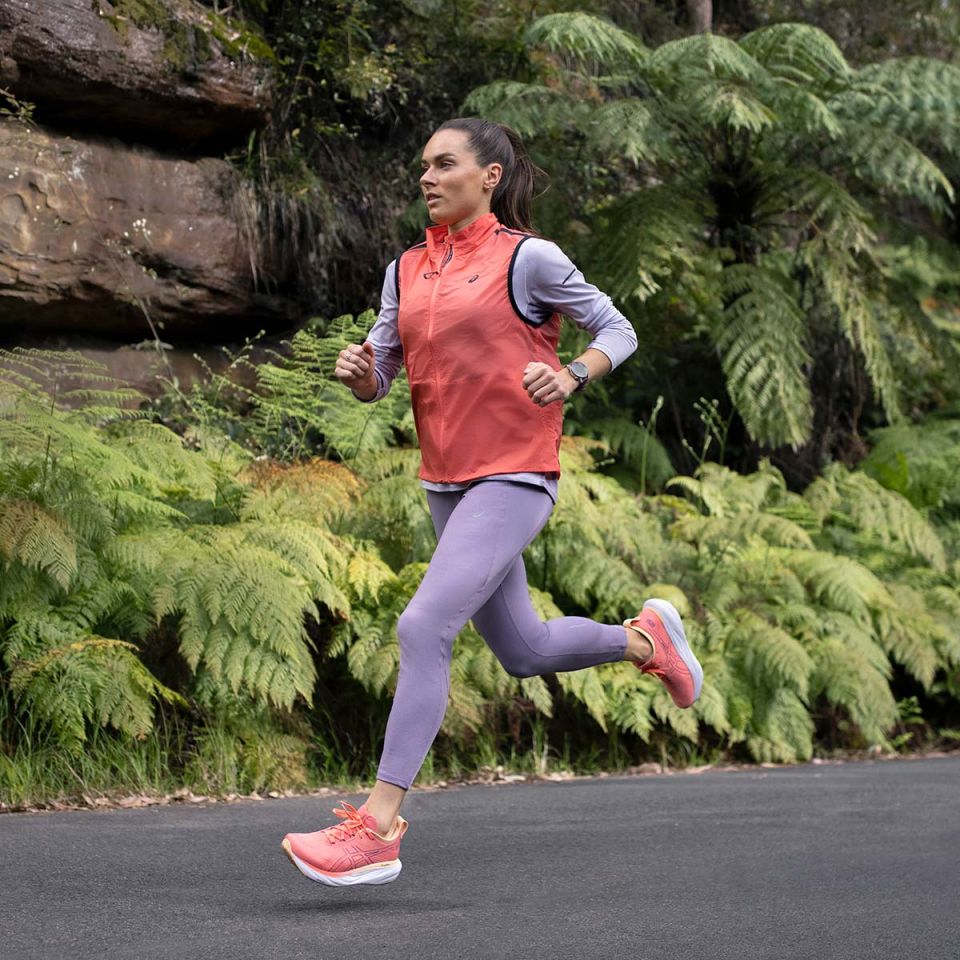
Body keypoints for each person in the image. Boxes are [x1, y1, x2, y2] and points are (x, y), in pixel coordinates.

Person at [281, 117, 703, 887]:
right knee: (524, 650)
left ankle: (376, 828)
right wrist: (362, 375)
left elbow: (618, 328)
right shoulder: (406, 268)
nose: (428, 177)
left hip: (514, 474)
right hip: (446, 480)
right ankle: (646, 642)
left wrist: (571, 374)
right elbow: (381, 369)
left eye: (445, 163)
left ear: (490, 177)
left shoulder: (528, 259)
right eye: (424, 165)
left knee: (422, 625)